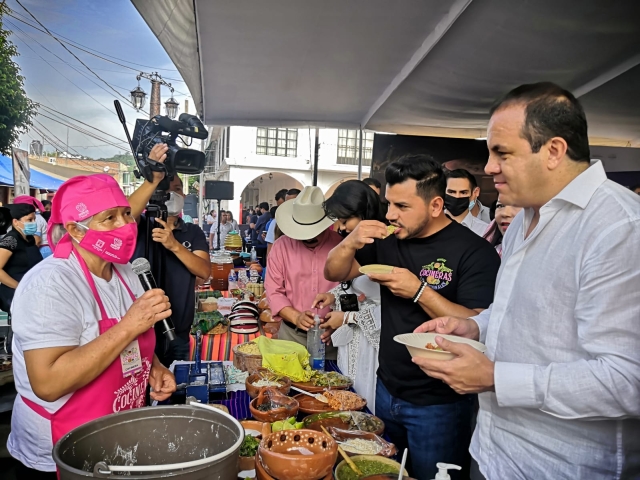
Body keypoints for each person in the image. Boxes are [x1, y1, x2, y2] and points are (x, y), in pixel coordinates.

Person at [413, 82, 640, 480]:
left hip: (560, 466)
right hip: (492, 449)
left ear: (553, 151)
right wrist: (472, 327)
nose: (489, 167)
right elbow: (512, 313)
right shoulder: (522, 221)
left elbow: (627, 379)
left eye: (502, 152)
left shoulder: (619, 227)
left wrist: (496, 377)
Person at [324, 155, 500, 480]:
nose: (391, 215)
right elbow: (334, 272)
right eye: (388, 203)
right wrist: (349, 241)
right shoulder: (388, 239)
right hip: (386, 387)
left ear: (435, 205)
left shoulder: (474, 251)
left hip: (439, 403)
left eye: (402, 206)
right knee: (388, 473)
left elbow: (479, 325)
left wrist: (419, 290)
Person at [8, 174, 176, 478]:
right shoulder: (49, 285)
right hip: (61, 445)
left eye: (126, 213)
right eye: (108, 218)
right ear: (74, 229)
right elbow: (48, 383)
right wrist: (129, 325)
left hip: (117, 435)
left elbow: (130, 343)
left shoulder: (127, 272)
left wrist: (153, 367)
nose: (124, 225)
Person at [129, 144, 211, 367]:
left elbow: (204, 271)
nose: (176, 194)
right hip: (138, 331)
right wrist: (152, 179)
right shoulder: (141, 226)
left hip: (179, 332)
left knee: (174, 388)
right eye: (169, 188)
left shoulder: (192, 232)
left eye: (179, 189)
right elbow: (125, 215)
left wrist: (173, 244)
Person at [313, 180, 385, 410]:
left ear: (364, 212)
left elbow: (388, 306)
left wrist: (346, 318)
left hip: (373, 348)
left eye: (345, 221)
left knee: (367, 399)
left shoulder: (387, 247)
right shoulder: (360, 246)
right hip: (354, 343)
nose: (341, 228)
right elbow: (359, 293)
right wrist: (335, 298)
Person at [265, 186, 341, 358]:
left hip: (333, 338)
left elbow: (352, 289)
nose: (309, 238)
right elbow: (274, 291)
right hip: (292, 336)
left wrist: (340, 321)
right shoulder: (281, 247)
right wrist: (296, 317)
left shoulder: (341, 245)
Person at [0, 204, 43, 312]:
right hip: (15, 293)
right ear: (15, 222)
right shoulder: (11, 240)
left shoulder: (30, 239)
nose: (33, 223)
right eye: (29, 220)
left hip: (31, 291)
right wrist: (19, 287)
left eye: (34, 219)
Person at [444, 169, 490, 236]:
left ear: (474, 193)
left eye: (463, 192)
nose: (457, 197)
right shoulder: (429, 227)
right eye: (451, 192)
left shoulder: (485, 231)